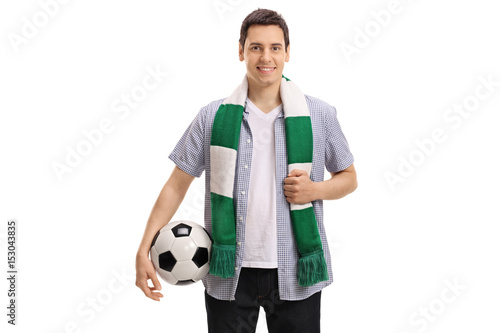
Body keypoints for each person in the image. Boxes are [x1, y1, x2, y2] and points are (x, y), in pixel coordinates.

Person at [135, 8, 357, 333]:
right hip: (229, 275)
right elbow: (175, 186)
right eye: (256, 47)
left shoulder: (319, 115)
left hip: (296, 271)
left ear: (288, 52)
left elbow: (349, 178)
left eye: (275, 47)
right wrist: (143, 249)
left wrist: (316, 190)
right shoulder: (212, 118)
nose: (266, 57)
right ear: (241, 51)